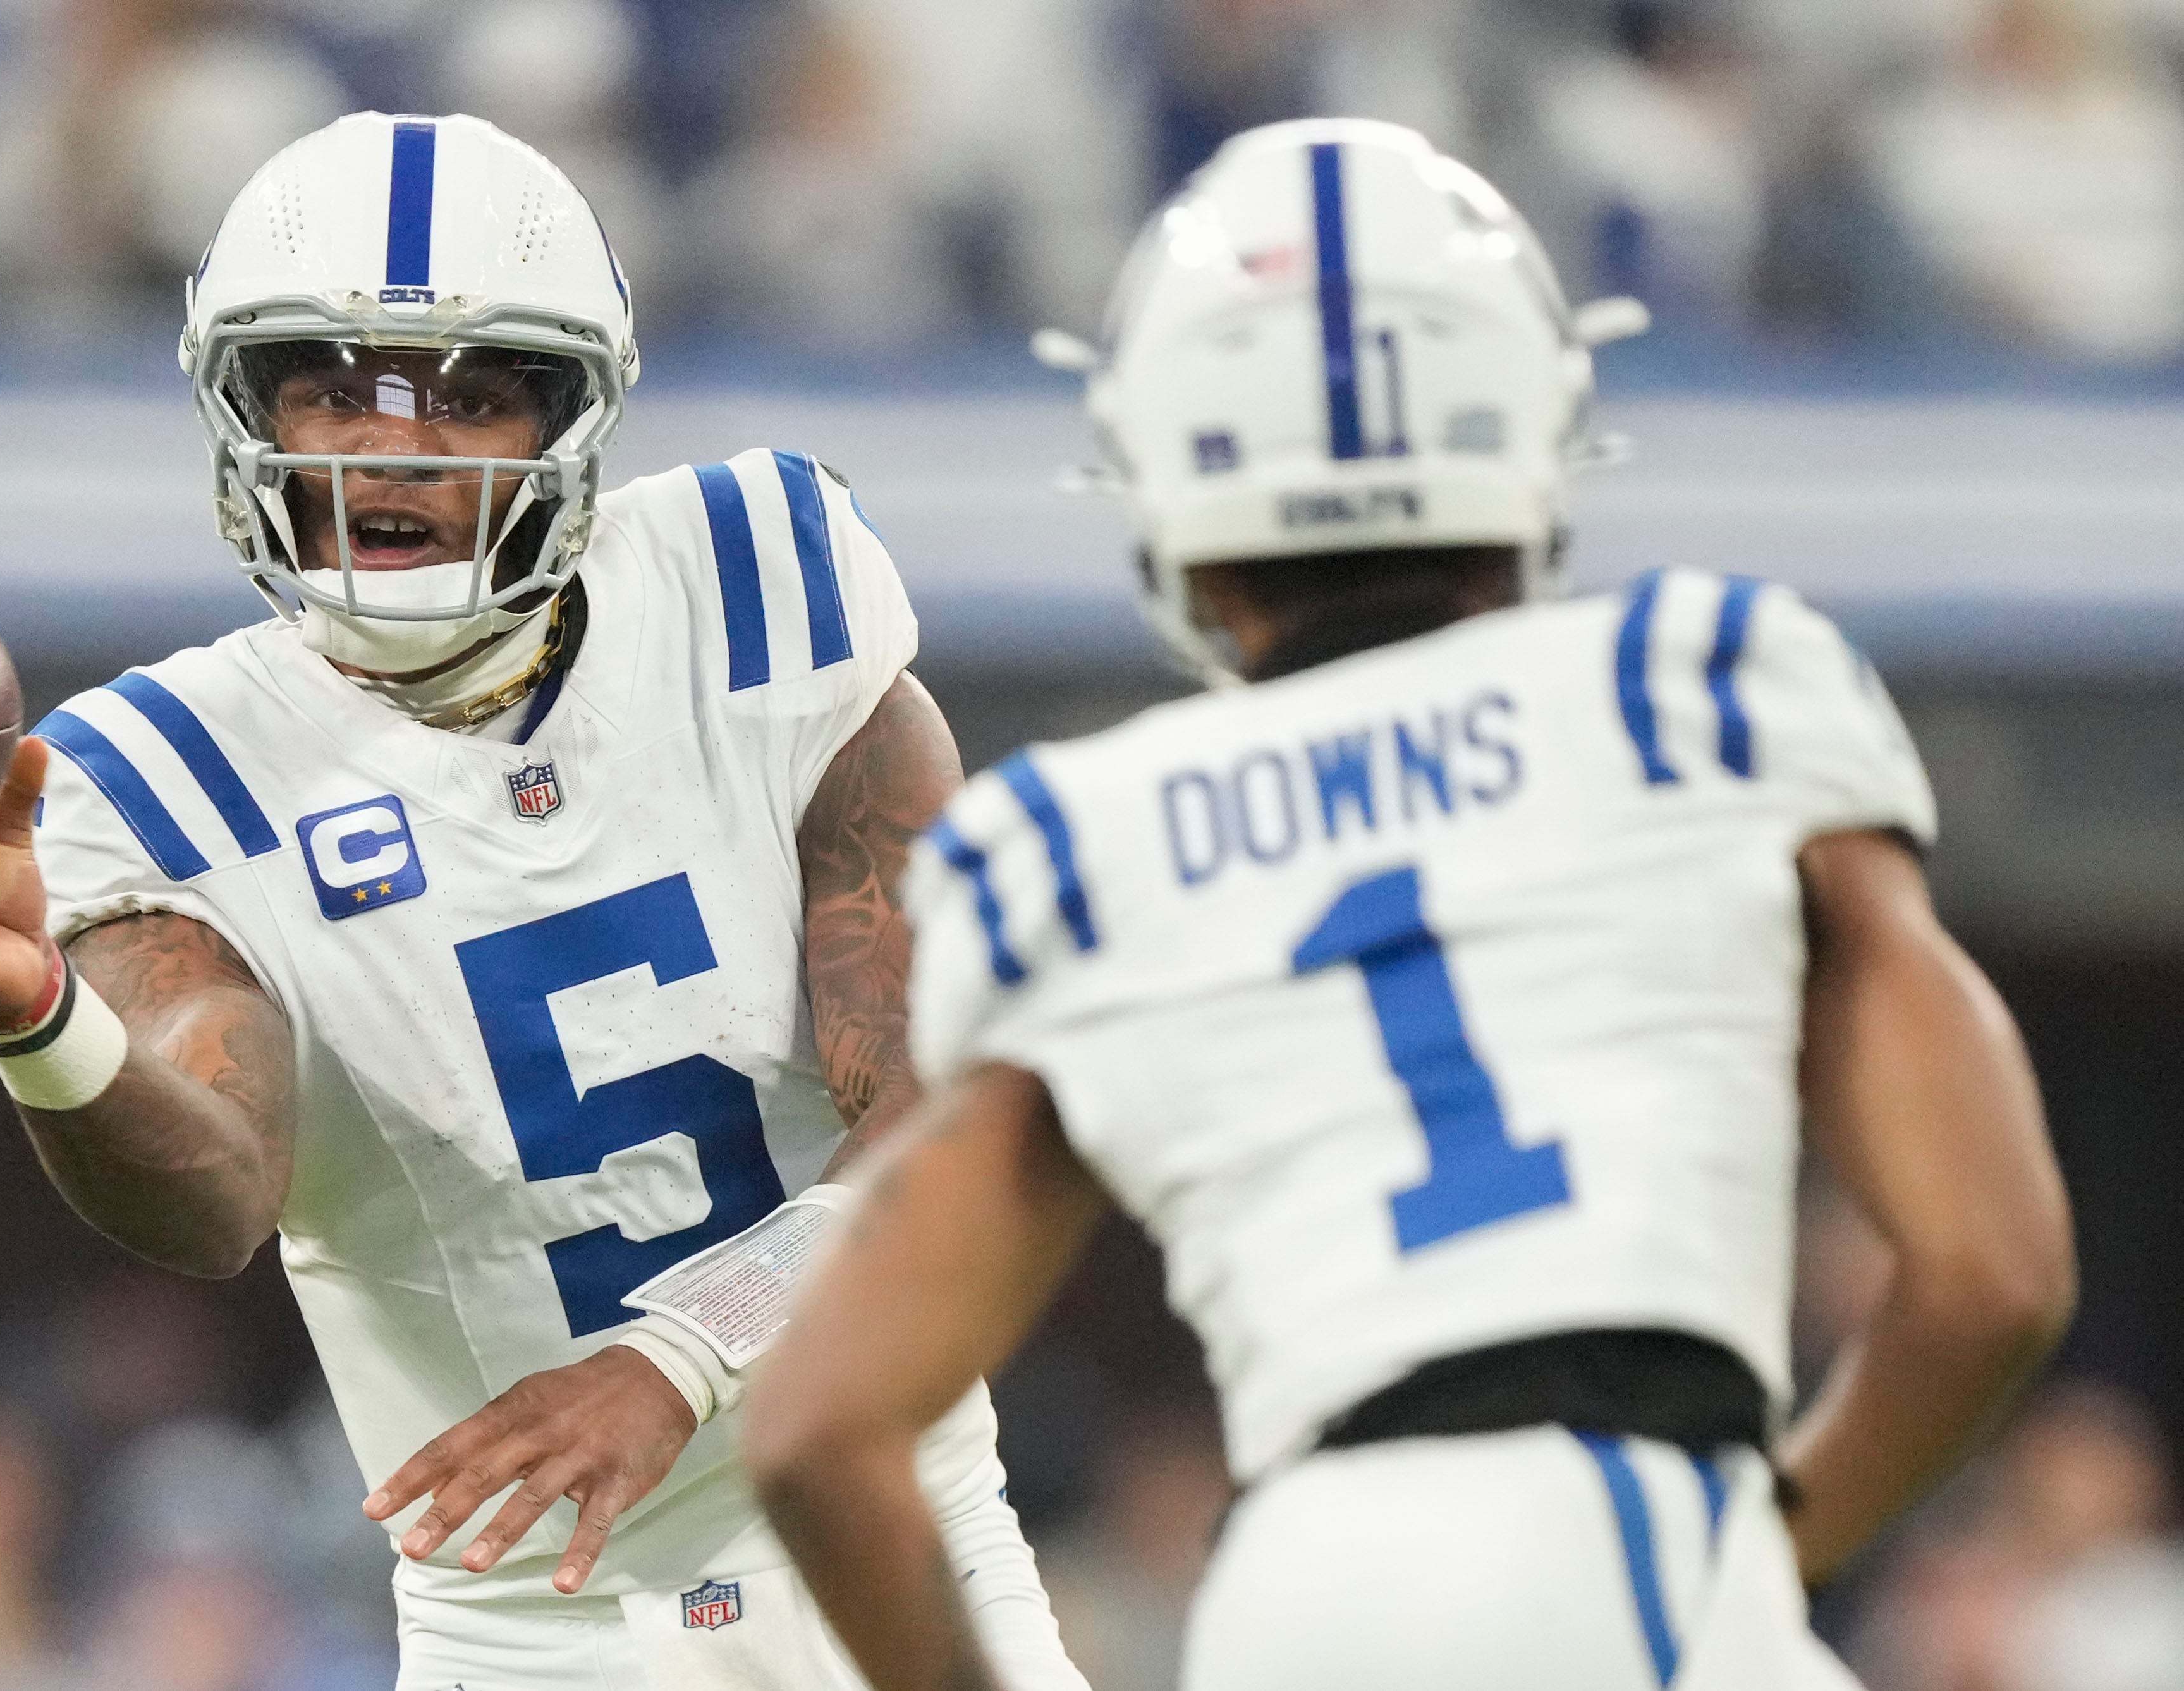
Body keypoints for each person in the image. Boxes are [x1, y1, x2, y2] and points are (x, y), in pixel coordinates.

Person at [744, 118, 2078, 1691]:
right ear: (1534, 419)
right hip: (1637, 1519)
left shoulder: (1077, 834)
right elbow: (1993, 1276)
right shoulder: (1701, 690)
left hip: (1294, 1596)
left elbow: (821, 1430)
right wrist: (1771, 1551)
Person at [0, 112, 1087, 1691]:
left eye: (468, 396)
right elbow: (216, 1195)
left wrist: (678, 1356)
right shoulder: (162, 771)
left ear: (572, 420)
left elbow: (949, 1117)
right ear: (244, 410)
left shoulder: (756, 584)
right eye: (332, 388)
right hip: (533, 1639)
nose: (391, 447)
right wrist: (44, 1022)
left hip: (902, 1545)